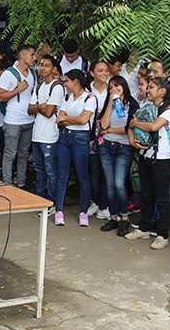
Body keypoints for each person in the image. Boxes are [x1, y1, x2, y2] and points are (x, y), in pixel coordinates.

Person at [126, 77, 170, 249]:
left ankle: (163, 234)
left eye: (152, 87)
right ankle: (144, 227)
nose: (148, 90)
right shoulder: (147, 106)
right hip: (144, 154)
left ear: (162, 91)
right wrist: (132, 138)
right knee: (146, 193)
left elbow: (154, 127)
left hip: (162, 158)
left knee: (162, 196)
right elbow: (131, 126)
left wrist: (135, 123)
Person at [97, 75, 139, 236]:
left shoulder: (132, 104)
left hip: (124, 147)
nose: (114, 89)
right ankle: (113, 217)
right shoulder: (110, 104)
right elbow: (103, 124)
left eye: (117, 86)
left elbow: (129, 127)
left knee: (119, 184)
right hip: (106, 147)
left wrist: (108, 131)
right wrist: (110, 102)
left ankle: (125, 218)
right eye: (111, 87)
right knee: (109, 185)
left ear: (124, 86)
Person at [56, 69, 97, 227]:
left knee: (82, 176)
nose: (64, 84)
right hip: (65, 136)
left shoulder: (90, 98)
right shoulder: (67, 97)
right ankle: (59, 210)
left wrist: (67, 118)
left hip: (81, 138)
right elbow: (60, 120)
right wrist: (70, 119)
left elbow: (84, 120)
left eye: (67, 81)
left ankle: (83, 211)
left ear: (76, 81)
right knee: (62, 174)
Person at [0, 45, 37, 188]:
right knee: (10, 154)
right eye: (32, 55)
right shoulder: (9, 73)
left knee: (23, 154)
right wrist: (17, 90)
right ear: (23, 56)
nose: (34, 58)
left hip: (29, 119)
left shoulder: (33, 73)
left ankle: (21, 183)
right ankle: (7, 183)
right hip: (13, 120)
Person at [29, 55, 65, 217]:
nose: (43, 68)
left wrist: (39, 107)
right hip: (37, 135)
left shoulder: (56, 87)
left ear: (53, 69)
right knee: (39, 170)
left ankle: (52, 204)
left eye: (47, 65)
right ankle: (40, 201)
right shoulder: (39, 86)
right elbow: (29, 110)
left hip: (50, 136)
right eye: (41, 65)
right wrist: (41, 106)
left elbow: (50, 112)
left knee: (51, 172)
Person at [87, 61, 111, 220]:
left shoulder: (113, 88)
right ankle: (95, 201)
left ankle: (105, 205)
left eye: (106, 70)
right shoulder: (87, 89)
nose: (104, 73)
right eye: (100, 70)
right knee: (93, 172)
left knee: (106, 173)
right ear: (92, 73)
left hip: (108, 134)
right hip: (90, 136)